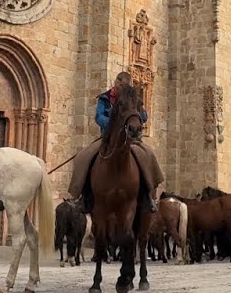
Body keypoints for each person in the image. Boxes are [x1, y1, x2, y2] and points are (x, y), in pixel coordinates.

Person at [67, 72, 165, 215]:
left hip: (131, 139)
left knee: (148, 156)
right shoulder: (105, 97)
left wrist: (137, 116)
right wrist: (111, 125)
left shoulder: (132, 99)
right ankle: (83, 196)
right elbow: (99, 116)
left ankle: (147, 195)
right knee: (83, 157)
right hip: (108, 137)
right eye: (119, 84)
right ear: (116, 82)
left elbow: (144, 116)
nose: (120, 87)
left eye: (124, 85)